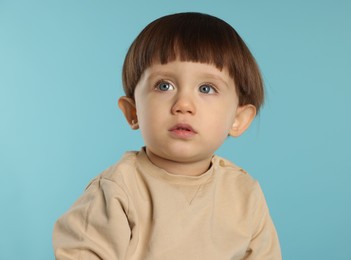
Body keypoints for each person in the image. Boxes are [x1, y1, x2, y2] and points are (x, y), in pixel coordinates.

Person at [53, 12, 282, 259]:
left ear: (238, 119)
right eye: (164, 86)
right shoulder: (117, 189)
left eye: (207, 88)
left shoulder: (244, 194)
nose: (183, 104)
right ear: (133, 112)